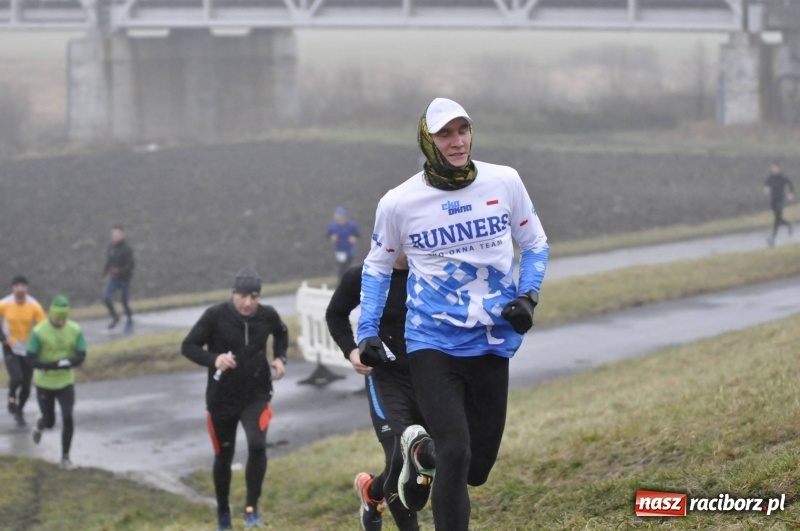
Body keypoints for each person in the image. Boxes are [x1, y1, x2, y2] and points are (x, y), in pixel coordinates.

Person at [356, 97, 549, 530]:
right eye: (445, 134)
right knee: (456, 454)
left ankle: (420, 456)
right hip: (432, 342)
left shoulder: (505, 181)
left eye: (462, 131)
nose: (457, 141)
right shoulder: (399, 202)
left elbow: (535, 244)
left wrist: (528, 296)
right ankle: (428, 455)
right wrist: (366, 330)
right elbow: (377, 265)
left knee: (476, 469)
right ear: (428, 140)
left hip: (492, 340)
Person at [325, 253, 428, 531]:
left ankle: (371, 493)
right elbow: (335, 314)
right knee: (399, 457)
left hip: (429, 377)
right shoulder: (362, 275)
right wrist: (351, 350)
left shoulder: (432, 269)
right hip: (385, 376)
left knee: (427, 456)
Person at [181, 266, 289, 531]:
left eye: (254, 297)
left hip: (257, 395)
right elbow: (188, 346)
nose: (248, 302)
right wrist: (214, 359)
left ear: (259, 298)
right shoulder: (215, 316)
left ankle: (251, 510)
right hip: (221, 400)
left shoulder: (267, 315)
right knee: (224, 456)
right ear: (233, 294)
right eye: (243, 296)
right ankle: (223, 515)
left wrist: (279, 357)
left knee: (257, 445)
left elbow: (282, 332)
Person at [26, 295, 87, 470]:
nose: (60, 322)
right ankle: (40, 424)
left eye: (64, 318)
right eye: (57, 318)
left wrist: (70, 362)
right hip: (44, 383)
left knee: (68, 417)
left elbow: (81, 354)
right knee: (50, 421)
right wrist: (50, 366)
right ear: (50, 314)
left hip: (66, 382)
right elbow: (30, 359)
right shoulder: (39, 331)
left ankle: (65, 457)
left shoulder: (75, 329)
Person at [0, 275, 47, 427]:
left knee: (26, 384)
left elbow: (43, 327)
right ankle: (12, 396)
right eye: (17, 286)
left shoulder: (34, 305)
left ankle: (20, 411)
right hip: (10, 346)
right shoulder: (5, 303)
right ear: (12, 288)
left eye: (23, 285)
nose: (20, 288)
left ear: (27, 288)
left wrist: (42, 344)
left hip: (28, 348)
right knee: (17, 378)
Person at [102, 224, 135, 332]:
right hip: (114, 279)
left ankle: (129, 320)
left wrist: (120, 270)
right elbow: (109, 261)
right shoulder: (111, 248)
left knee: (124, 302)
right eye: (114, 234)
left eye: (117, 234)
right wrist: (105, 270)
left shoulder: (127, 249)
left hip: (125, 279)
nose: (115, 236)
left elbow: (131, 265)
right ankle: (115, 317)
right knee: (106, 298)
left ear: (122, 235)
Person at [763, 162, 795, 247]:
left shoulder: (783, 177)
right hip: (773, 200)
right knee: (779, 219)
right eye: (773, 168)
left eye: (776, 168)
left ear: (779, 169)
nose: (774, 169)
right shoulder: (770, 177)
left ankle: (773, 237)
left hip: (781, 200)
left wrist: (791, 193)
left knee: (777, 219)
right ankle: (789, 225)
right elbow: (766, 184)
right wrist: (766, 189)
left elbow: (790, 184)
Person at [325, 206, 360, 279]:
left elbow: (358, 234)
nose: (336, 217)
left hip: (349, 251)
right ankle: (341, 283)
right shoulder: (333, 226)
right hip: (339, 251)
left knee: (347, 267)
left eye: (338, 215)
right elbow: (327, 235)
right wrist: (332, 237)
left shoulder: (351, 226)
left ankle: (347, 282)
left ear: (343, 216)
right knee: (341, 268)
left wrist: (354, 238)